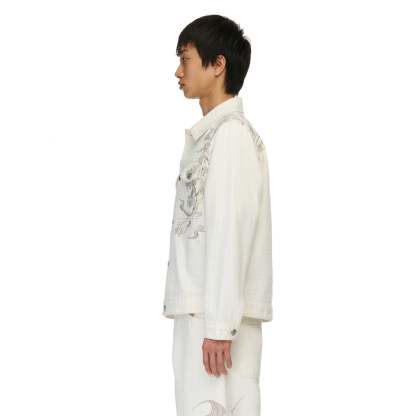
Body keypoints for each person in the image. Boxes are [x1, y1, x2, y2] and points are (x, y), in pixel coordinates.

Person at [162, 14, 274, 416]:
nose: (178, 71)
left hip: (214, 324)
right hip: (204, 316)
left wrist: (219, 327)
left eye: (185, 59)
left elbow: (231, 231)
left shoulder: (230, 136)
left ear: (217, 64)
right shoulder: (212, 136)